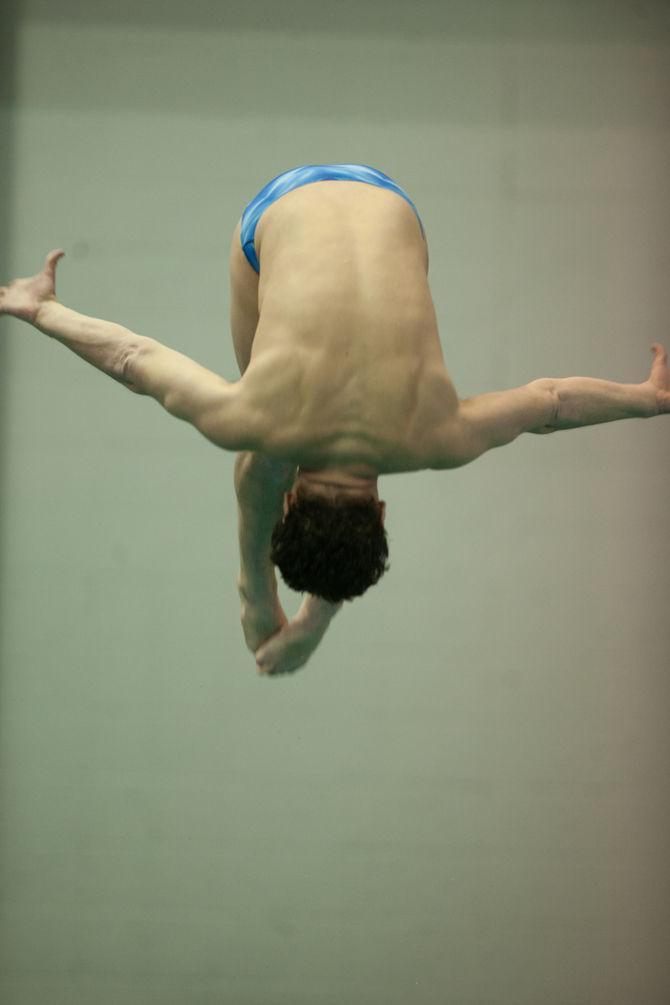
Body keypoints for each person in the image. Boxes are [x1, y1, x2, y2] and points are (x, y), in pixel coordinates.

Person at [1, 163, 668, 677]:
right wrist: (41, 309)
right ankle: (257, 592)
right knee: (263, 438)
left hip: (391, 204)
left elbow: (550, 401)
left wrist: (648, 398)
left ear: (382, 512)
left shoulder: (439, 439)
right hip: (277, 211)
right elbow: (130, 355)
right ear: (290, 502)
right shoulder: (248, 419)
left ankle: (266, 595)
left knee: (271, 440)